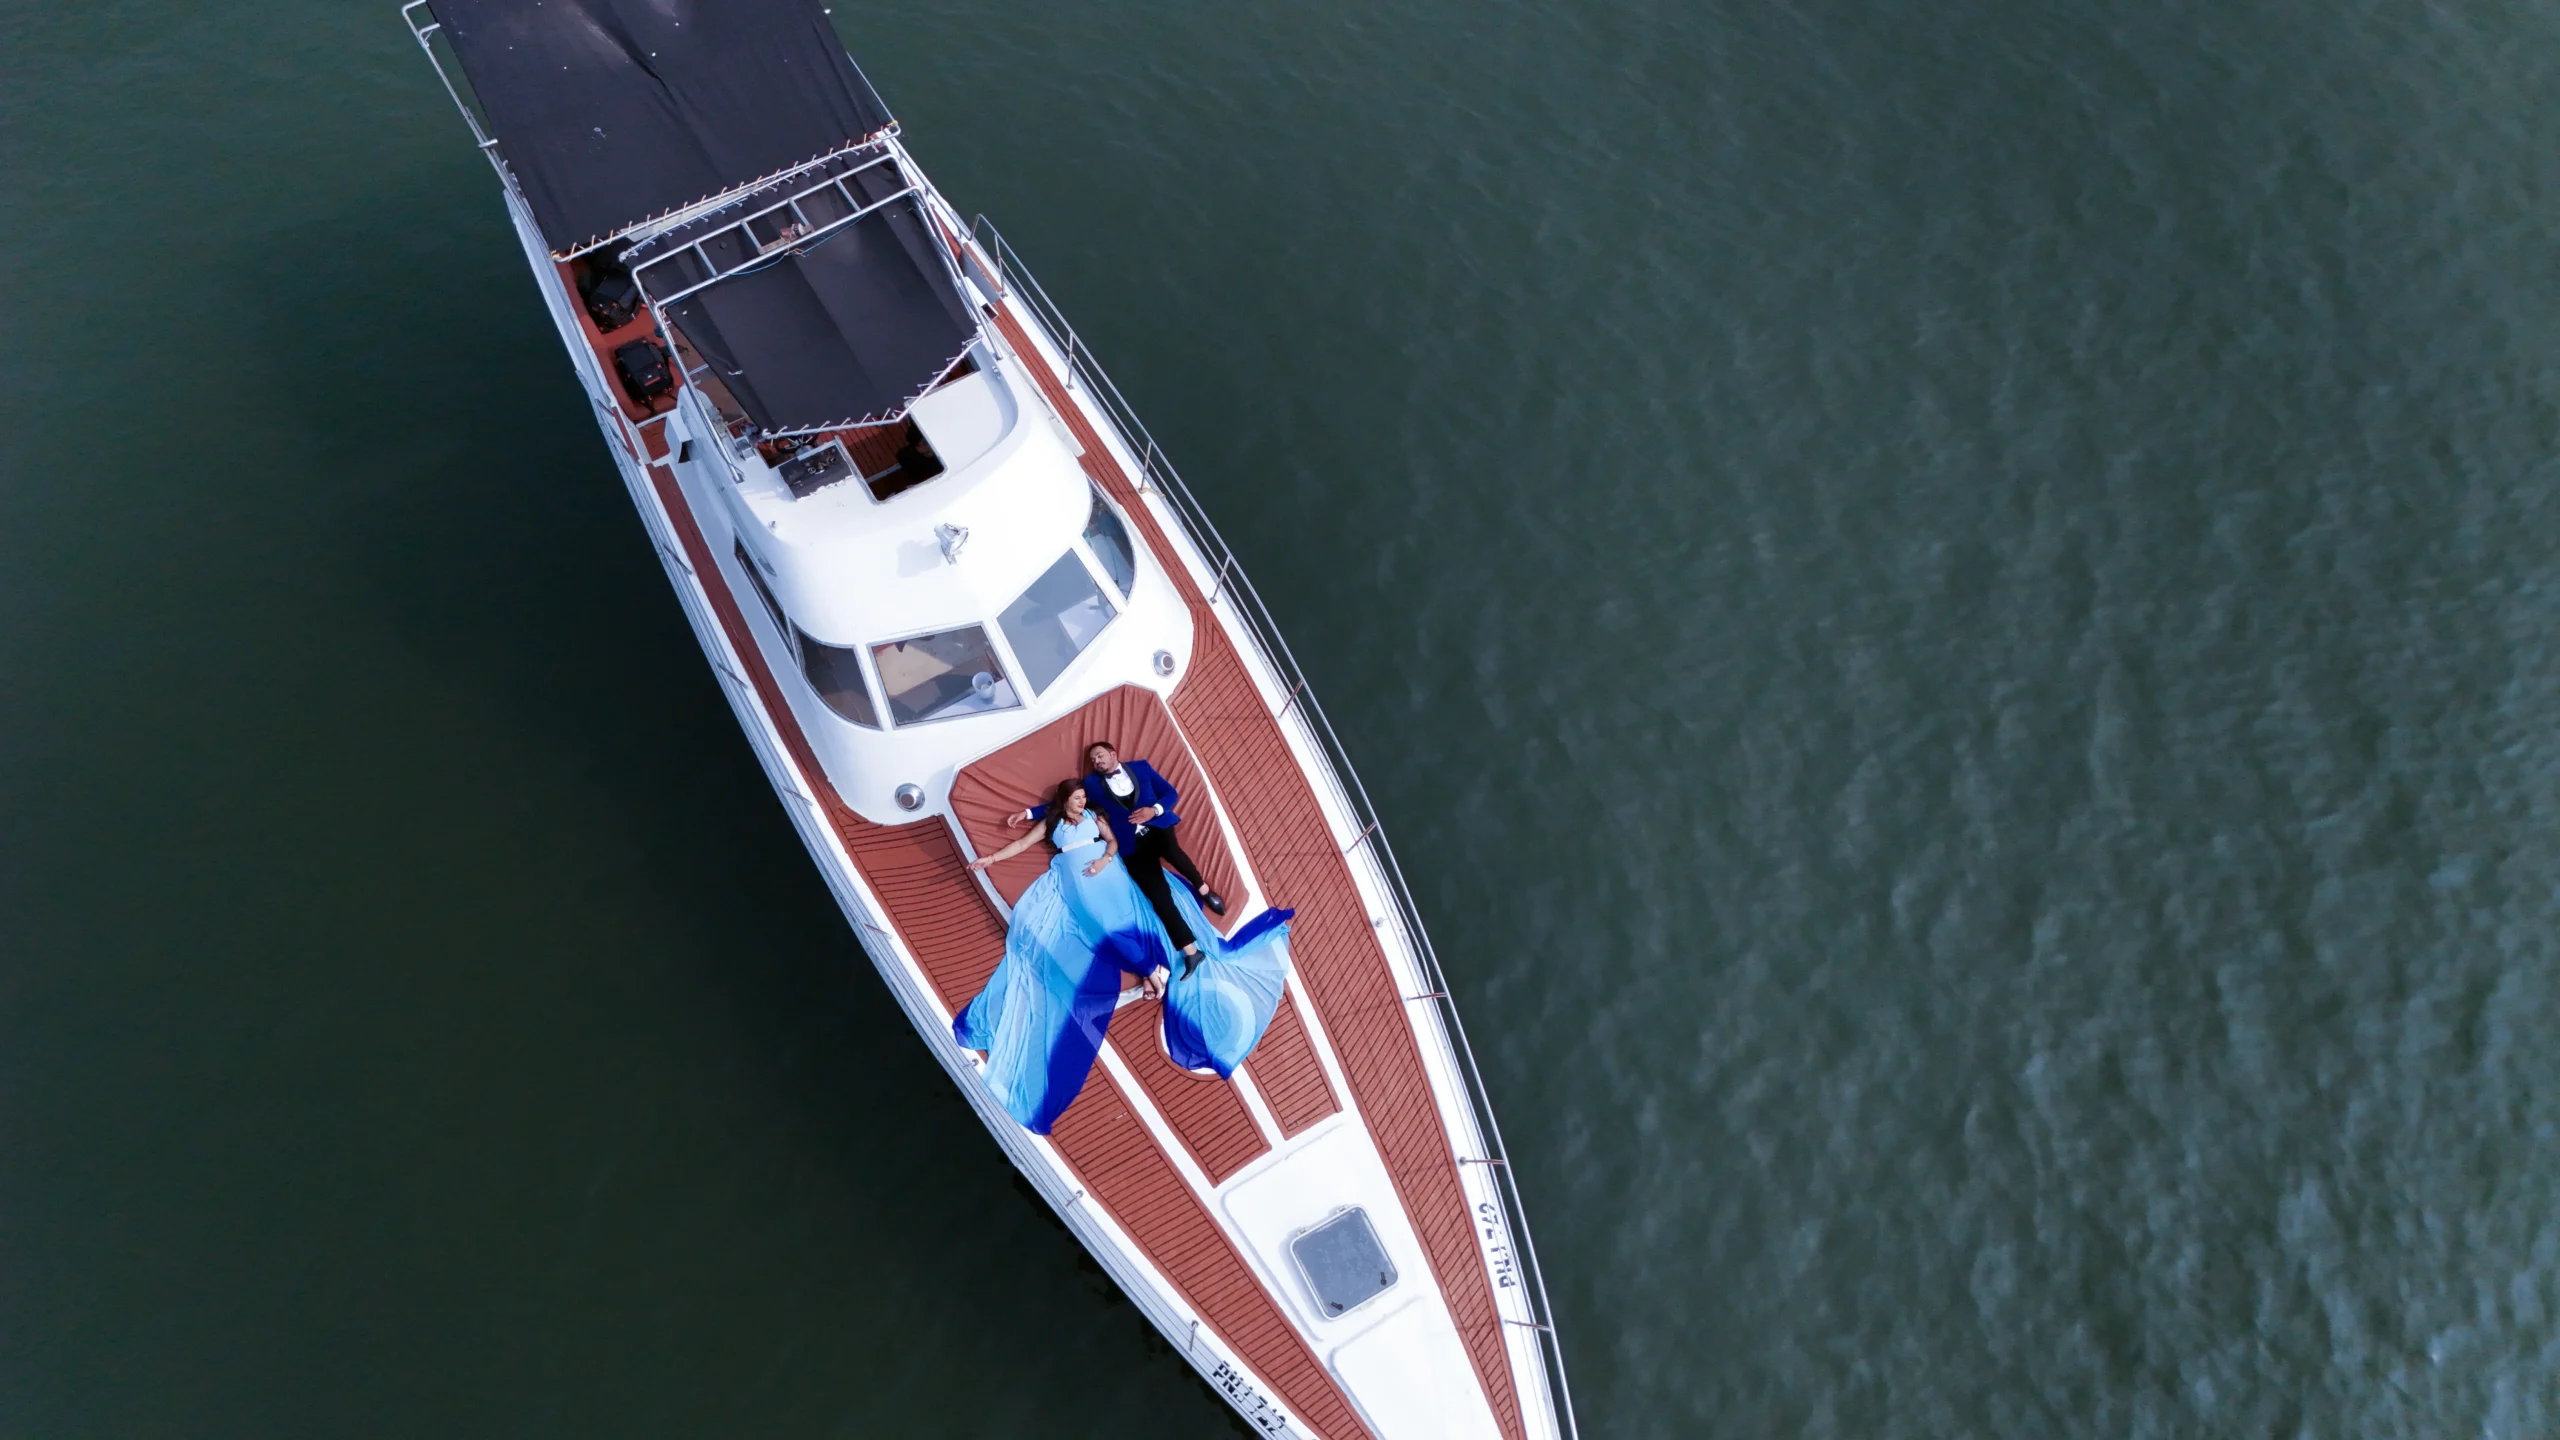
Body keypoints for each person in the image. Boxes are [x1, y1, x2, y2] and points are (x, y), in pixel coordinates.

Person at [957, 780, 1293, 1131]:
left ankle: (1151, 973)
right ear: (1065, 800)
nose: (1081, 801)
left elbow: (1112, 842)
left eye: (1083, 797)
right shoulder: (1051, 822)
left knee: (1129, 919)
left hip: (1107, 871)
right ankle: (1150, 974)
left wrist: (1104, 860)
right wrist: (990, 859)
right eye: (1076, 798)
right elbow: (1022, 843)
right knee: (1103, 929)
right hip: (1075, 879)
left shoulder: (1093, 816)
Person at [1010, 741, 1225, 974]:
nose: (1097, 761)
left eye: (1100, 756)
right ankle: (1191, 952)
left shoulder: (1141, 767)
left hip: (1158, 827)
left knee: (1174, 853)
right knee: (1159, 898)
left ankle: (1204, 890)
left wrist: (1154, 810)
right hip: (1131, 847)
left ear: (1113, 754)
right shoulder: (1092, 784)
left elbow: (1170, 794)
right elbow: (1063, 802)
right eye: (1093, 760)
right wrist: (1027, 813)